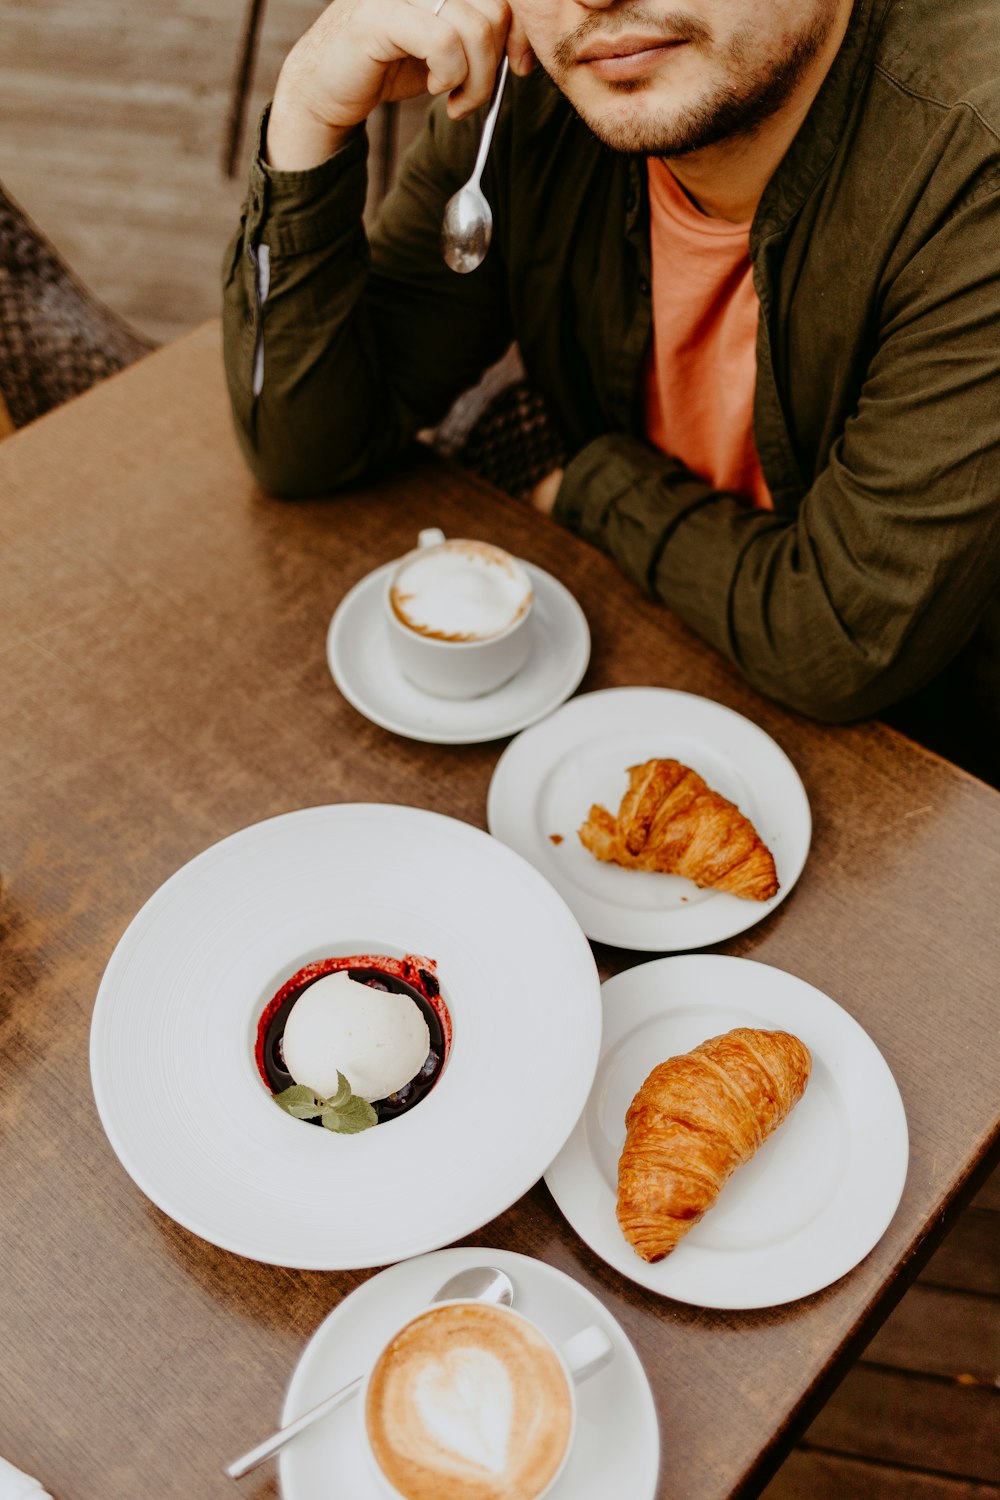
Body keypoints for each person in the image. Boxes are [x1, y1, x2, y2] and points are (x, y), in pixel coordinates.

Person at [222, 0, 1000, 783]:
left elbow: (842, 638)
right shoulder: (540, 90)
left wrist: (593, 486)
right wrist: (308, 117)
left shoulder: (975, 165)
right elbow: (309, 447)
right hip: (630, 707)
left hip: (934, 784)